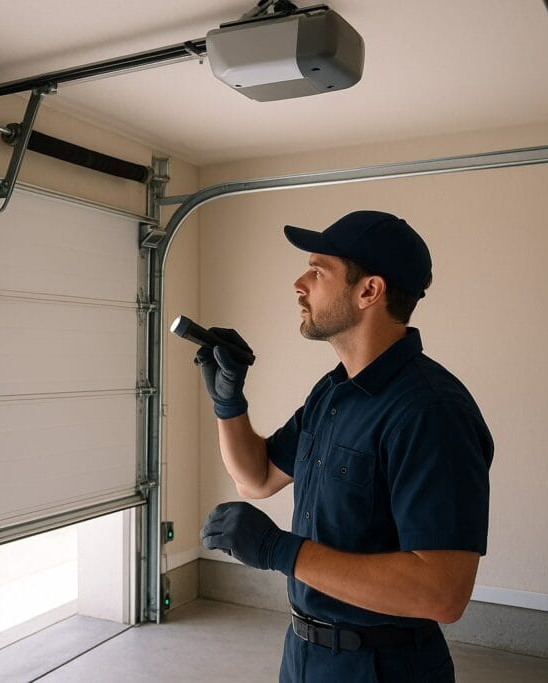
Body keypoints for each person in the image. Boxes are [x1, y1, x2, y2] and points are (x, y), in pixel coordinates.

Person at [195, 210, 493, 682]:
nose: (299, 284)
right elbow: (257, 478)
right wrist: (228, 402)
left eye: (317, 272)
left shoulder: (431, 411)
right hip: (304, 654)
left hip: (383, 667)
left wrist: (279, 550)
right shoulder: (332, 392)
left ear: (369, 291)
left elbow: (443, 593)